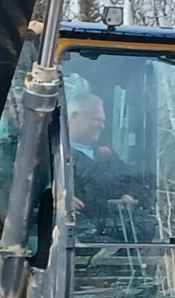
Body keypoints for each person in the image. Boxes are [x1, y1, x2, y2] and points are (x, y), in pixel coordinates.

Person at [65, 92, 154, 242]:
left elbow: (137, 182)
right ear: (74, 116)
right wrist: (59, 198)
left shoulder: (108, 156)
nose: (101, 126)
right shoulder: (51, 154)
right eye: (96, 120)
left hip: (112, 236)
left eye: (103, 121)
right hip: (70, 241)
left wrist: (130, 195)